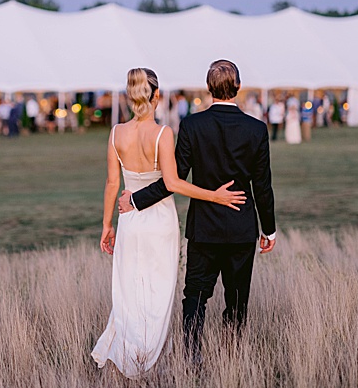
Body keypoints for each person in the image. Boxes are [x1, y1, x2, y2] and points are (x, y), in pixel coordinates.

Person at [118, 60, 277, 365]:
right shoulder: (256, 129)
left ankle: (192, 358)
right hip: (242, 228)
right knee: (237, 299)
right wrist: (268, 230)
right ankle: (232, 357)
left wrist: (137, 200)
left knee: (195, 297)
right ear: (239, 87)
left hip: (203, 228)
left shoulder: (192, 125)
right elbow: (263, 187)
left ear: (208, 88)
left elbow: (172, 179)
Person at [92, 67, 247, 377]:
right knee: (159, 290)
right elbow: (173, 183)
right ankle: (151, 357)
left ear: (129, 96)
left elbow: (112, 184)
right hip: (160, 220)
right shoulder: (163, 133)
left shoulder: (115, 134)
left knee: (130, 288)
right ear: (156, 96)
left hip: (129, 220)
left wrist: (107, 224)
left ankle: (130, 353)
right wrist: (214, 196)